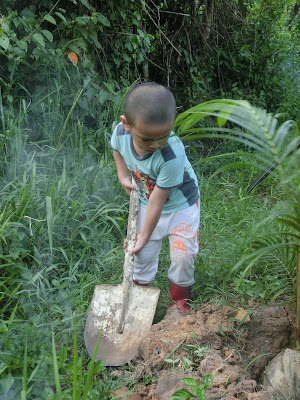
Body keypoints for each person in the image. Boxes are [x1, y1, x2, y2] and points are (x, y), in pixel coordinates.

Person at [110, 82, 200, 313]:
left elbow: (158, 200)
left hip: (181, 206)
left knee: (183, 256)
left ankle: (180, 302)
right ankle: (138, 295)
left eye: (163, 137)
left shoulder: (171, 154)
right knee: (141, 253)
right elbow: (117, 149)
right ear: (126, 124)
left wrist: (144, 235)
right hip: (145, 202)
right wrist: (122, 176)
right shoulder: (120, 132)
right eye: (147, 140)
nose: (156, 145)